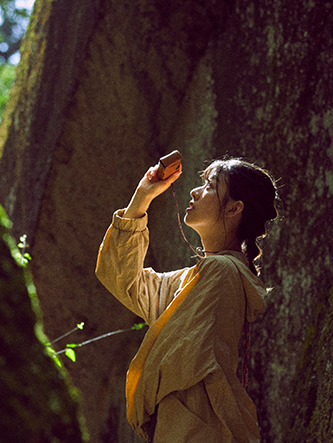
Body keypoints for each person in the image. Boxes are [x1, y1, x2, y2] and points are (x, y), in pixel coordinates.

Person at [95, 157, 278, 443]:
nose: (194, 191)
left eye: (209, 185)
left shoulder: (222, 270)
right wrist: (142, 196)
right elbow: (121, 276)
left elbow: (194, 364)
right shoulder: (196, 277)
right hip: (182, 424)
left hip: (196, 426)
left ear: (234, 208)